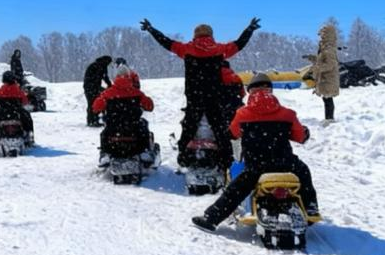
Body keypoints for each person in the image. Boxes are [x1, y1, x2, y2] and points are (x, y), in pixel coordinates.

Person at [191, 73, 320, 232]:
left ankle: (211, 219)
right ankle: (311, 208)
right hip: (287, 164)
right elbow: (300, 136)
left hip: (257, 166)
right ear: (270, 90)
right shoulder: (288, 114)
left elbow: (232, 134)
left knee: (235, 190)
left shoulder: (243, 114)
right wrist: (304, 132)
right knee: (304, 172)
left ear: (250, 91)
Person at [140, 18, 260, 169]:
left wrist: (151, 30)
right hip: (214, 97)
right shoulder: (219, 50)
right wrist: (249, 30)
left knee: (189, 128)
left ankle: (183, 157)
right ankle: (226, 161)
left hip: (194, 96)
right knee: (220, 130)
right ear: (211, 35)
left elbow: (166, 42)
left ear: (195, 36)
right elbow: (239, 44)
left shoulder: (186, 49)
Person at [92, 65, 154, 167]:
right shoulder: (136, 93)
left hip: (114, 129)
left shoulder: (107, 93)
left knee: (104, 133)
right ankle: (144, 151)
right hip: (134, 129)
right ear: (129, 77)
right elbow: (150, 106)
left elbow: (95, 108)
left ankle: (105, 153)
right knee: (144, 125)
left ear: (115, 77)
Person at [0, 71, 35, 146]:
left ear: (3, 80)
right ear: (14, 79)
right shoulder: (19, 91)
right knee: (27, 117)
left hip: (2, 113)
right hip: (17, 113)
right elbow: (25, 102)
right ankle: (29, 135)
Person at [311, 24, 340, 121]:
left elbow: (330, 64)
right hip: (325, 78)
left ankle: (329, 119)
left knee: (328, 99)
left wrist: (317, 68)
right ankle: (328, 118)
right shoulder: (325, 47)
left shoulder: (329, 49)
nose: (321, 36)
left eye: (323, 34)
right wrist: (313, 59)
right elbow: (323, 60)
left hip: (328, 78)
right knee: (326, 99)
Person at [83, 56, 113, 126]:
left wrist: (109, 86)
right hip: (91, 87)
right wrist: (110, 86)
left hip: (91, 87)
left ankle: (92, 119)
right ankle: (92, 120)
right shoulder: (100, 66)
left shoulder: (97, 65)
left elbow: (105, 77)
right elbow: (105, 77)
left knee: (93, 103)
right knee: (93, 103)